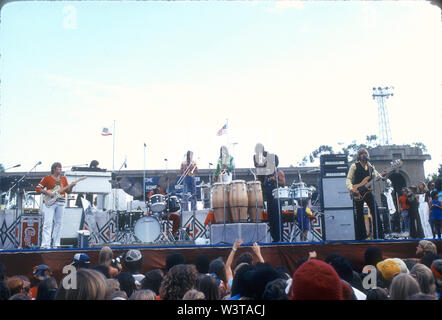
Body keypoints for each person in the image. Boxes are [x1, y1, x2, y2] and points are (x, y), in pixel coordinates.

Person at [36, 162, 80, 249]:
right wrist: (47, 191)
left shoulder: (63, 179)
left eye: (61, 167)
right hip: (50, 203)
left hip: (61, 202)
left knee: (58, 223)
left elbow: (68, 192)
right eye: (59, 168)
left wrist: (71, 186)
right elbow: (38, 188)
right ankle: (45, 244)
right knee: (48, 223)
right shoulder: (47, 178)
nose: (60, 169)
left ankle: (56, 243)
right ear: (54, 169)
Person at [346, 148, 387, 240]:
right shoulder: (354, 166)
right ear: (359, 156)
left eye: (365, 153)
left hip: (368, 191)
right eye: (362, 154)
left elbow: (377, 176)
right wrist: (352, 189)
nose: (364, 155)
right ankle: (361, 237)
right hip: (357, 192)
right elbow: (348, 179)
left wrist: (382, 175)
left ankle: (379, 235)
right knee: (359, 214)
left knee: (375, 211)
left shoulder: (371, 167)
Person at [262, 153, 286, 242]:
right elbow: (265, 184)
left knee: (277, 219)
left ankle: (279, 238)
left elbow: (283, 183)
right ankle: (274, 238)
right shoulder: (267, 173)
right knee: (271, 219)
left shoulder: (279, 172)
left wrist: (274, 179)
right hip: (269, 198)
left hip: (276, 199)